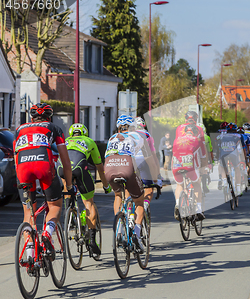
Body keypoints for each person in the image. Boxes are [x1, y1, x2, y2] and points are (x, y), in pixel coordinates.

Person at [14, 103, 74, 258]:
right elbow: (66, 163)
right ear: (50, 117)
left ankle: (29, 253)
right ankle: (47, 233)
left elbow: (16, 158)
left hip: (23, 168)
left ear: (32, 117)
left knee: (29, 212)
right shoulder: (54, 128)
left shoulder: (19, 130)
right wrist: (69, 185)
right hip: (44, 165)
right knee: (55, 205)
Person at [57, 123, 112, 256]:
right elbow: (100, 167)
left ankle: (69, 211)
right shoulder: (89, 141)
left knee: (66, 183)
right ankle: (92, 240)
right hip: (79, 169)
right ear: (84, 133)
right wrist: (105, 185)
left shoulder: (65, 141)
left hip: (61, 169)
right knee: (89, 203)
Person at [104, 115, 153, 253]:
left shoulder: (112, 138)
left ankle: (119, 228)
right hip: (127, 168)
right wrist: (154, 178)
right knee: (139, 201)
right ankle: (137, 233)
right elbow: (148, 160)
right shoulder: (138, 137)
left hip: (109, 168)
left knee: (118, 195)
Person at [172, 124, 207, 220]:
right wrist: (204, 169)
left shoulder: (177, 140)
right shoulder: (198, 140)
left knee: (179, 185)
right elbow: (203, 157)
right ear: (195, 132)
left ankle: (178, 203)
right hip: (190, 167)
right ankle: (199, 209)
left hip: (176, 166)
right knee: (196, 184)